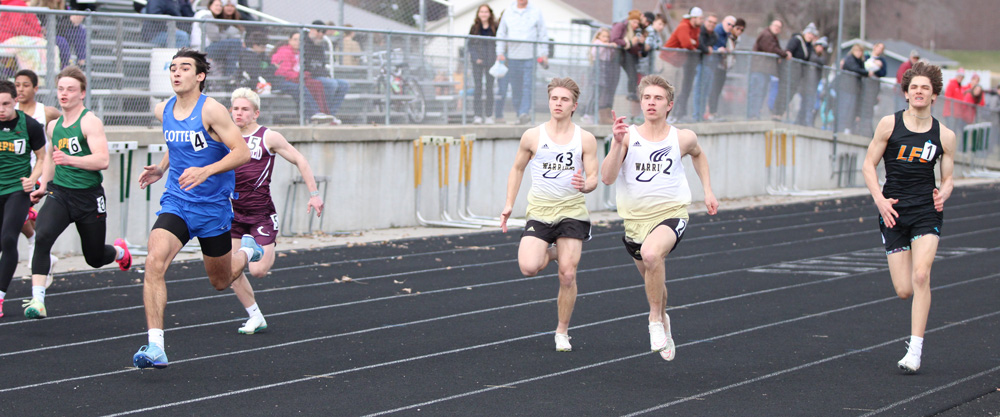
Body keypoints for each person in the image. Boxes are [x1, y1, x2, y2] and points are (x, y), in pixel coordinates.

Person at [131, 48, 251, 369]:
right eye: (172, 68)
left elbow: (242, 152)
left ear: (200, 76)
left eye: (185, 68)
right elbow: (178, 143)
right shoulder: (163, 110)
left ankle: (246, 253)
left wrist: (207, 171)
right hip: (178, 202)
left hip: (212, 209)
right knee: (154, 261)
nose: (176, 73)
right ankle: (156, 346)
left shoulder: (212, 111)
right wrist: (160, 168)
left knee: (220, 281)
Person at [600, 75, 718, 361]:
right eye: (646, 98)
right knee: (654, 277)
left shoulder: (683, 137)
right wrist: (616, 144)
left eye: (658, 98)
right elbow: (607, 178)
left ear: (669, 105)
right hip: (634, 220)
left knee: (652, 255)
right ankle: (664, 319)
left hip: (671, 213)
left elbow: (698, 155)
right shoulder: (627, 136)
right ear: (640, 103)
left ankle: (654, 320)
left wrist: (708, 191)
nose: (651, 103)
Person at [861, 62, 954, 373]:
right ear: (905, 93)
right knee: (904, 290)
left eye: (925, 88)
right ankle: (915, 316)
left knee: (921, 275)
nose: (919, 91)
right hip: (893, 212)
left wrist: (945, 192)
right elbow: (868, 165)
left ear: (934, 95)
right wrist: (880, 201)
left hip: (927, 211)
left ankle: (914, 351)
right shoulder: (889, 124)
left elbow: (950, 177)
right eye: (914, 87)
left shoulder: (945, 135)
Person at [21, 66, 133, 319]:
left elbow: (102, 160)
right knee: (43, 236)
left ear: (82, 93)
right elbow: (51, 157)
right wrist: (44, 186)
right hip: (60, 193)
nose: (64, 94)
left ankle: (120, 252)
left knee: (93, 257)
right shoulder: (53, 126)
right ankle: (38, 301)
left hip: (89, 197)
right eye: (61, 89)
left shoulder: (89, 121)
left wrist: (71, 160)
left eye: (70, 89)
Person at [499, 77, 598, 351]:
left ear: (574, 105)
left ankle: (562, 331)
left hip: (572, 212)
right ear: (549, 101)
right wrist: (509, 204)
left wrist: (586, 185)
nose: (558, 103)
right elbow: (517, 169)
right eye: (555, 98)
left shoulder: (585, 139)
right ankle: (556, 252)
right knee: (528, 267)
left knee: (567, 274)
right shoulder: (532, 136)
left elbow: (593, 178)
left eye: (564, 99)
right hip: (540, 211)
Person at [226, 87, 323, 334]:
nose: (239, 113)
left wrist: (314, 195)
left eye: (245, 109)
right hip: (232, 213)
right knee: (230, 270)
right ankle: (255, 316)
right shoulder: (223, 137)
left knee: (258, 271)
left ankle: (254, 247)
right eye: (235, 108)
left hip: (260, 213)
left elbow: (300, 159)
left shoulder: (268, 136)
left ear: (255, 113)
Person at [0, 80, 47, 318]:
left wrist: (33, 178)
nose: (1, 109)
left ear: (15, 101)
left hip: (17, 190)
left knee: (9, 238)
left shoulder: (29, 125)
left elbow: (42, 158)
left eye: (6, 104)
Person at [13, 69, 60, 271]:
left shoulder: (46, 112)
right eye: (17, 85)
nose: (20, 89)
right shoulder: (8, 109)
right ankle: (42, 251)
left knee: (18, 211)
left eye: (25, 85)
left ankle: (36, 247)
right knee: (17, 214)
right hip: (13, 171)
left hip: (37, 172)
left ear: (35, 88)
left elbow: (66, 125)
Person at [237, 32, 319, 119]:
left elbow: (268, 69)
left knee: (300, 87)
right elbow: (256, 73)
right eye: (262, 47)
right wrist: (272, 68)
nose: (264, 49)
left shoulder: (262, 55)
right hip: (261, 83)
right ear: (255, 46)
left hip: (273, 80)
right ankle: (313, 114)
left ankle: (312, 113)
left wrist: (271, 68)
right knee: (298, 88)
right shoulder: (247, 57)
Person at [494, 0, 547, 125]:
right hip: (513, 57)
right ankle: (520, 114)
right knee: (516, 88)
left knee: (528, 86)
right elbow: (501, 33)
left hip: (530, 56)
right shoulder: (508, 11)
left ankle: (524, 112)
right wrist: (500, 53)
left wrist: (543, 54)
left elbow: (542, 34)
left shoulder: (536, 11)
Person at [271, 32, 334, 122]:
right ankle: (313, 113)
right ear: (289, 40)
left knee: (317, 84)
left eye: (300, 40)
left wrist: (303, 75)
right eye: (295, 40)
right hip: (282, 80)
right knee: (301, 88)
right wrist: (300, 76)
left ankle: (324, 113)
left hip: (295, 79)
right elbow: (284, 72)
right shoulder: (284, 52)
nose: (298, 42)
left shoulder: (299, 53)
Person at [304, 20, 350, 124]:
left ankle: (330, 115)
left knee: (344, 85)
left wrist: (326, 75)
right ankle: (323, 113)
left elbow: (322, 66)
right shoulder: (303, 43)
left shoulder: (320, 46)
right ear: (311, 30)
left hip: (321, 75)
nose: (320, 34)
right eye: (318, 31)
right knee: (331, 84)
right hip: (310, 76)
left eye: (323, 32)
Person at [663, 7, 703, 122]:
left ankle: (672, 115)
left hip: (678, 63)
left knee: (678, 90)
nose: (701, 21)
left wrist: (693, 43)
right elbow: (686, 43)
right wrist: (692, 43)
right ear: (693, 18)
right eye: (700, 18)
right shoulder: (684, 26)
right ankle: (664, 115)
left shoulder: (696, 28)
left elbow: (696, 43)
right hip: (669, 60)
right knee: (667, 89)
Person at [748, 20, 790, 120]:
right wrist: (784, 54)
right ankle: (752, 114)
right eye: (776, 26)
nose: (777, 28)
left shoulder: (773, 37)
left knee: (762, 93)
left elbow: (776, 48)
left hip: (765, 70)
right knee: (757, 92)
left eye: (779, 27)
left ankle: (756, 114)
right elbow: (771, 49)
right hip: (759, 69)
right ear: (770, 25)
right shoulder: (766, 35)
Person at [706, 17, 743, 121]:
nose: (730, 27)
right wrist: (717, 49)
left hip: (721, 66)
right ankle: (708, 113)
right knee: (712, 89)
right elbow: (708, 45)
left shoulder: (728, 35)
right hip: (713, 65)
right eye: (728, 24)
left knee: (717, 90)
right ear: (723, 22)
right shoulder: (717, 31)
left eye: (732, 25)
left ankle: (714, 112)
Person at [467, 4, 497, 125]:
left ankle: (489, 115)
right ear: (478, 14)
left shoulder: (495, 27)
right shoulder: (474, 28)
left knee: (490, 89)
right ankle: (478, 115)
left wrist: (494, 58)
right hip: (478, 63)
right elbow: (470, 45)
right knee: (478, 88)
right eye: (481, 12)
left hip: (491, 62)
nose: (484, 14)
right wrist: (476, 58)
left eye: (486, 12)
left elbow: (497, 44)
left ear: (489, 13)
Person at [610, 10, 646, 104]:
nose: (636, 24)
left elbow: (634, 49)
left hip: (626, 54)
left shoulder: (635, 31)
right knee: (613, 79)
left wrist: (640, 43)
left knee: (633, 74)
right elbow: (614, 39)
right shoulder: (621, 26)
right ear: (629, 20)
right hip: (617, 54)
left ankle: (631, 92)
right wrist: (628, 43)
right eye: (634, 22)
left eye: (637, 23)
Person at [786, 23, 817, 126]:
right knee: (788, 94)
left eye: (812, 35)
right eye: (809, 33)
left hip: (801, 77)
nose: (810, 36)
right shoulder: (797, 40)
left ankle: (795, 120)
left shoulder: (810, 47)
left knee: (797, 99)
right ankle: (780, 115)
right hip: (792, 73)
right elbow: (789, 51)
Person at [691, 13, 719, 122]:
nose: (711, 24)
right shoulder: (700, 31)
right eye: (710, 22)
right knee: (698, 90)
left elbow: (710, 45)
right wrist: (707, 49)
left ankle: (701, 114)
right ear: (705, 22)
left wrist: (707, 49)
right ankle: (696, 115)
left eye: (714, 23)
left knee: (705, 91)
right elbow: (699, 44)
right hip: (698, 64)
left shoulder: (714, 35)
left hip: (708, 65)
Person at [835, 44, 868, 134]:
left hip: (854, 90)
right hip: (846, 88)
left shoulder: (860, 61)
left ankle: (847, 128)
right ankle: (839, 128)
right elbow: (855, 69)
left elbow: (863, 70)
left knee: (851, 111)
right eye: (857, 51)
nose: (859, 53)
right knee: (843, 109)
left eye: (860, 51)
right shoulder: (850, 59)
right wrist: (865, 72)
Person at [590, 28, 616, 124]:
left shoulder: (607, 46)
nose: (606, 39)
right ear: (599, 36)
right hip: (598, 68)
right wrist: (607, 45)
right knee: (596, 92)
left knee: (604, 92)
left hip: (606, 68)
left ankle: (602, 116)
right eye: (604, 36)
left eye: (607, 37)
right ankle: (589, 114)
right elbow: (595, 53)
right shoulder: (597, 43)